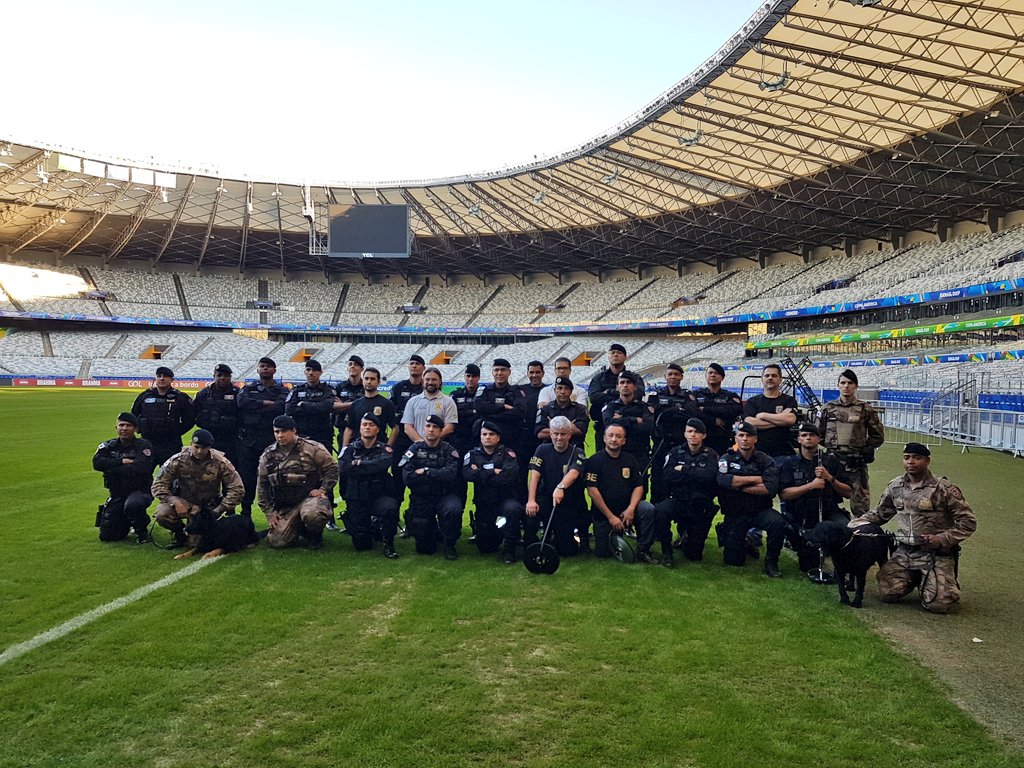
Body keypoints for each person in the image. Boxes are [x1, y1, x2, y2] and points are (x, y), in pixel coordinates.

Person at [849, 442, 976, 614]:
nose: (911, 462)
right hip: (905, 552)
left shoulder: (942, 488)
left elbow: (968, 522)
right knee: (887, 593)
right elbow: (880, 513)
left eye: (917, 458)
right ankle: (916, 577)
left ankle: (940, 580)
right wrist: (853, 525)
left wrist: (941, 539)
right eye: (907, 457)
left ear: (927, 461)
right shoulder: (895, 486)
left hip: (934, 554)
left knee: (938, 605)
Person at [778, 423, 853, 574]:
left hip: (829, 512)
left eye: (812, 435)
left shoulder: (831, 461)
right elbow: (784, 494)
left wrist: (830, 478)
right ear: (798, 439)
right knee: (809, 565)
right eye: (804, 435)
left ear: (819, 439)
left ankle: (842, 564)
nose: (808, 438)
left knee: (846, 530)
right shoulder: (790, 464)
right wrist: (810, 486)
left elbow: (848, 492)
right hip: (801, 515)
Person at [152, 429, 244, 549]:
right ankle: (180, 533)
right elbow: (158, 485)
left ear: (210, 447)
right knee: (162, 514)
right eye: (196, 447)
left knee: (197, 545)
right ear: (191, 444)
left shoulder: (221, 462)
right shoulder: (177, 460)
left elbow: (237, 488)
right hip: (184, 503)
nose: (199, 451)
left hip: (208, 507)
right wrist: (175, 501)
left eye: (204, 448)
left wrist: (218, 510)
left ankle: (198, 535)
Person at [257, 415, 339, 550]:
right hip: (286, 504)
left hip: (310, 500)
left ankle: (315, 535)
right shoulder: (267, 456)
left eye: (284, 431)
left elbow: (332, 469)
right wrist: (269, 512)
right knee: (276, 541)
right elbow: (262, 487)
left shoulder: (312, 448)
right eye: (277, 432)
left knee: (313, 515)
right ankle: (299, 529)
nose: (280, 435)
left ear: (294, 430)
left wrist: (323, 489)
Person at [714, 423, 784, 576]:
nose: (745, 439)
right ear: (736, 438)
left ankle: (771, 562)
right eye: (741, 435)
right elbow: (722, 481)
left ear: (755, 439)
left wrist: (738, 485)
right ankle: (746, 542)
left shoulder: (766, 460)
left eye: (748, 435)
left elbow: (770, 488)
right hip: (736, 512)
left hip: (760, 510)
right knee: (733, 561)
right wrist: (756, 479)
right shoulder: (726, 458)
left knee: (777, 523)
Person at [584, 422, 657, 561]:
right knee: (603, 553)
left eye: (618, 436)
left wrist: (631, 509)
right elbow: (592, 491)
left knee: (647, 509)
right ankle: (613, 534)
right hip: (604, 513)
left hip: (627, 510)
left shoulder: (630, 459)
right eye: (610, 435)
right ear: (604, 438)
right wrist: (611, 517)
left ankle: (643, 549)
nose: (614, 439)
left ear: (624, 441)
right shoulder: (594, 461)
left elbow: (638, 486)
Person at [819, 369, 885, 516]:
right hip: (832, 462)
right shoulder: (827, 409)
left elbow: (878, 436)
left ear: (856, 386)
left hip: (855, 463)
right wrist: (831, 445)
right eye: (843, 383)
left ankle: (860, 530)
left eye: (850, 383)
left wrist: (864, 447)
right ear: (838, 385)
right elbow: (818, 433)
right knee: (825, 500)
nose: (846, 386)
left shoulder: (865, 409)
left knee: (860, 507)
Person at [653, 417, 719, 565]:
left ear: (704, 435)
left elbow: (709, 477)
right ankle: (667, 552)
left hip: (699, 505)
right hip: (678, 500)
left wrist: (684, 469)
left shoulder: (711, 454)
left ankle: (686, 538)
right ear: (685, 434)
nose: (693, 435)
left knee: (693, 555)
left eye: (697, 432)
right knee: (661, 510)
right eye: (690, 431)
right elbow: (667, 475)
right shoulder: (675, 452)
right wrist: (695, 475)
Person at [399, 414, 464, 559]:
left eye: (435, 427)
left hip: (444, 495)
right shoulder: (413, 450)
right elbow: (408, 477)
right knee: (425, 549)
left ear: (441, 431)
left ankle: (450, 545)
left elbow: (450, 474)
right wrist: (437, 475)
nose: (431, 430)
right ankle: (433, 531)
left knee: (453, 509)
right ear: (423, 429)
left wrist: (426, 471)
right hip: (422, 498)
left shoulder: (449, 451)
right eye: (428, 426)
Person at [337, 413, 400, 559]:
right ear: (359, 428)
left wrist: (359, 464)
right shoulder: (349, 449)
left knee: (390, 508)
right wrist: (368, 467)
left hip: (379, 495)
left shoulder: (385, 449)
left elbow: (381, 465)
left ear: (377, 429)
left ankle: (388, 544)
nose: (367, 427)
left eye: (371, 425)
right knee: (362, 545)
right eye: (364, 424)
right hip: (357, 497)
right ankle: (373, 526)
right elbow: (344, 468)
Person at [462, 421, 522, 563]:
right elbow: (467, 474)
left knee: (513, 509)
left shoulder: (508, 454)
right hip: (484, 503)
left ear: (498, 437)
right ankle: (495, 534)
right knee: (485, 548)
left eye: (491, 434)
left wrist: (481, 473)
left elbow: (508, 477)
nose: (487, 437)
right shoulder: (472, 454)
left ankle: (509, 551)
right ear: (480, 437)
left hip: (504, 500)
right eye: (484, 434)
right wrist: (493, 471)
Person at [526, 416, 587, 556]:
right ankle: (532, 543)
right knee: (530, 516)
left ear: (569, 435)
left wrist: (560, 487)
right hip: (545, 497)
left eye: (563, 434)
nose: (559, 438)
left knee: (566, 550)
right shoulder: (541, 449)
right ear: (550, 434)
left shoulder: (577, 452)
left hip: (567, 500)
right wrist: (531, 500)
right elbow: (534, 476)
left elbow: (574, 473)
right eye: (555, 434)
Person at [236, 357, 288, 517]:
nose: (265, 368)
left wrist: (256, 404)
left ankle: (277, 515)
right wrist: (267, 404)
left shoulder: (282, 390)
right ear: (257, 369)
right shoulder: (248, 389)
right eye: (262, 366)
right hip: (249, 440)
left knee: (274, 478)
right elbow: (242, 402)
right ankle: (245, 513)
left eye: (268, 366)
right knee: (247, 478)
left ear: (274, 370)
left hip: (271, 441)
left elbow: (281, 406)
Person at [92, 412, 155, 544]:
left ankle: (141, 530)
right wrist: (121, 462)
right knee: (107, 535)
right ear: (116, 428)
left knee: (133, 505)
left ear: (135, 429)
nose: (124, 428)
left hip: (140, 491)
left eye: (128, 425)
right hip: (117, 493)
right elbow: (97, 463)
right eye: (121, 425)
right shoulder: (108, 445)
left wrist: (111, 467)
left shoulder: (143, 446)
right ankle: (127, 520)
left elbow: (140, 468)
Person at [647, 362, 698, 504]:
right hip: (660, 444)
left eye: (676, 374)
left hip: (680, 445)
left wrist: (665, 413)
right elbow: (653, 415)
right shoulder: (655, 394)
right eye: (670, 374)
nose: (673, 377)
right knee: (657, 483)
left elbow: (690, 416)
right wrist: (675, 411)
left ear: (681, 377)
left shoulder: (688, 396)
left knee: (679, 482)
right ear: (665, 376)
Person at [131, 365, 195, 467]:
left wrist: (176, 431)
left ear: (172, 380)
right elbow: (133, 415)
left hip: (170, 444)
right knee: (142, 473)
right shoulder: (144, 396)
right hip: (147, 442)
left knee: (171, 474)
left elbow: (190, 419)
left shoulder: (180, 398)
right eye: (159, 376)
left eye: (165, 376)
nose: (161, 378)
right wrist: (140, 428)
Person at [600, 371, 653, 485]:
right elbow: (608, 424)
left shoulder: (644, 407)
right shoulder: (610, 406)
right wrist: (634, 420)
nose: (625, 385)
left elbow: (647, 428)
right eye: (622, 382)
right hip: (616, 455)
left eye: (628, 382)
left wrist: (620, 420)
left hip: (639, 455)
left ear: (634, 387)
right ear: (617, 387)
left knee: (640, 488)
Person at [742, 363, 798, 460]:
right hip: (757, 454)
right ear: (762, 379)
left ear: (780, 379)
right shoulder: (753, 401)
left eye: (774, 375)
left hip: (783, 453)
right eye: (767, 375)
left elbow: (790, 419)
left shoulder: (789, 400)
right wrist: (780, 421)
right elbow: (750, 423)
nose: (770, 378)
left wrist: (763, 415)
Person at [390, 354, 426, 501]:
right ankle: (394, 510)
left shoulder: (427, 388)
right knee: (397, 477)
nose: (414, 366)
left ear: (423, 368)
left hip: (422, 440)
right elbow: (390, 412)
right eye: (411, 363)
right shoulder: (398, 388)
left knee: (420, 479)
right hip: (401, 440)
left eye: (417, 363)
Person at [284, 359, 338, 452]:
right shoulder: (298, 390)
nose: (311, 373)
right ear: (304, 372)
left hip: (322, 437)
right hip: (301, 436)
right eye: (308, 370)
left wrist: (304, 405)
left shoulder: (328, 390)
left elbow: (327, 407)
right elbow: (289, 409)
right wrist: (317, 407)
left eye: (314, 370)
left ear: (321, 372)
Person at [448, 363, 483, 506]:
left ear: (478, 378)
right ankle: (458, 512)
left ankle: (480, 514)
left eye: (474, 376)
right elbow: (452, 416)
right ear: (464, 377)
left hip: (479, 444)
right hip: (459, 443)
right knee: (458, 482)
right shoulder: (456, 395)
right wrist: (473, 412)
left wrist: (465, 413)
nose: (470, 379)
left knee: (481, 480)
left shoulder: (485, 395)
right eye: (468, 376)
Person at [193, 363, 240, 466]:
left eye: (226, 376)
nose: (222, 378)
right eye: (219, 375)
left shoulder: (238, 394)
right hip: (208, 439)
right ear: (214, 376)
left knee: (231, 469)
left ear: (230, 377)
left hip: (231, 439)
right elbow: (192, 414)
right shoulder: (203, 394)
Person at [693, 363, 743, 456]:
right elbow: (692, 413)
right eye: (710, 372)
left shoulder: (730, 396)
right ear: (706, 376)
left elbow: (732, 411)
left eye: (716, 373)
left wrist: (705, 409)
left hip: (723, 440)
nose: (713, 375)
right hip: (700, 440)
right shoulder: (696, 394)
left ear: (722, 377)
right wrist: (713, 420)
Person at [474, 358, 525, 448]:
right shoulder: (485, 390)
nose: (499, 373)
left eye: (503, 370)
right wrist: (503, 407)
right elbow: (479, 407)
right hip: (487, 441)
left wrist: (489, 415)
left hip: (510, 440)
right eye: (496, 370)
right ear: (492, 372)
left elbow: (519, 412)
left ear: (509, 372)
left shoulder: (516, 391)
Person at [342, 367, 398, 448]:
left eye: (372, 379)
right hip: (358, 448)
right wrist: (344, 449)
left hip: (379, 449)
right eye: (366, 378)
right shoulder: (355, 404)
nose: (369, 381)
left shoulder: (387, 404)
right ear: (363, 381)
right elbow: (349, 429)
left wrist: (388, 446)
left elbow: (395, 427)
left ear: (378, 382)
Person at [588, 343, 629, 453]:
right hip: (602, 426)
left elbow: (636, 395)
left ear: (625, 357)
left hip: (626, 425)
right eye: (612, 352)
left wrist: (607, 392)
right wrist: (619, 393)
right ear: (608, 356)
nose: (615, 355)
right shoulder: (599, 378)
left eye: (619, 353)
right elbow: (593, 397)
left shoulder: (633, 377)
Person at [402, 367, 458, 445]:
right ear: (423, 381)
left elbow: (449, 427)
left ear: (440, 382)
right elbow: (407, 427)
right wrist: (422, 443)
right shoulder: (412, 401)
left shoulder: (449, 402)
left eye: (434, 380)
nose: (430, 382)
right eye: (427, 379)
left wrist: (433, 441)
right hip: (418, 447)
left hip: (440, 447)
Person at [518, 360, 547, 496]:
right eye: (531, 372)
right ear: (527, 373)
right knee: (521, 473)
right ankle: (522, 503)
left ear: (543, 373)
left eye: (537, 372)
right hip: (523, 439)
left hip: (541, 439)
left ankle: (538, 501)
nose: (534, 375)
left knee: (542, 473)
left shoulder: (548, 391)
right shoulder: (520, 390)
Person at [535, 377, 589, 447]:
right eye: (560, 388)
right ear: (555, 390)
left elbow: (580, 430)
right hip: (549, 449)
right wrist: (569, 427)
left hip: (574, 448)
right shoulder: (545, 409)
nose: (563, 392)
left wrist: (553, 426)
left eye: (566, 389)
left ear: (571, 391)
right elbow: (540, 433)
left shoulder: (580, 409)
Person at [332, 354, 365, 452]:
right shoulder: (340, 387)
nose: (352, 366)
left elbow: (368, 406)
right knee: (344, 456)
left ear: (362, 369)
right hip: (343, 427)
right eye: (350, 364)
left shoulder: (366, 387)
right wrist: (357, 404)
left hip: (362, 429)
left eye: (356, 365)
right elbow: (334, 406)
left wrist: (343, 405)